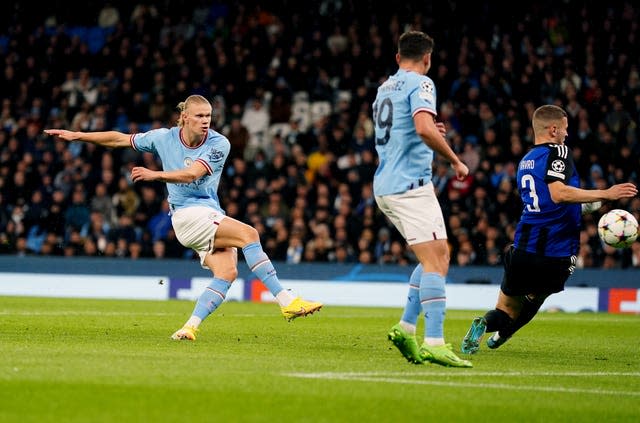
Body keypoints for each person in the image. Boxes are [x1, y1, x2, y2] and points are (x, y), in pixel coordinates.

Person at [45, 94, 323, 341]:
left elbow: (192, 174)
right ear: (185, 117)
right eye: (200, 116)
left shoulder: (218, 143)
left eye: (209, 116)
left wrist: (156, 175)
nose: (205, 121)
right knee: (250, 234)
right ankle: (286, 300)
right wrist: (78, 135)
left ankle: (189, 327)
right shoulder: (163, 137)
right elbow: (119, 139)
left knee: (227, 272)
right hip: (187, 216)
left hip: (208, 213)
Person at [461, 105, 637, 354]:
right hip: (557, 253)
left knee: (505, 309)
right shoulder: (560, 151)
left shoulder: (525, 161)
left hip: (522, 249)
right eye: (565, 128)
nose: (567, 134)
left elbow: (547, 203)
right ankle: (502, 336)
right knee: (535, 299)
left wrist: (593, 204)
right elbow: (558, 194)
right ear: (553, 129)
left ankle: (486, 324)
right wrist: (606, 192)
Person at [372, 31, 472, 367]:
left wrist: (429, 130)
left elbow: (403, 131)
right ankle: (434, 341)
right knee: (436, 261)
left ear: (398, 58)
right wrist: (455, 160)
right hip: (410, 186)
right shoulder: (422, 84)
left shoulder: (385, 88)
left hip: (387, 183)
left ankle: (404, 327)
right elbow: (422, 128)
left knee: (437, 254)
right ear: (427, 59)